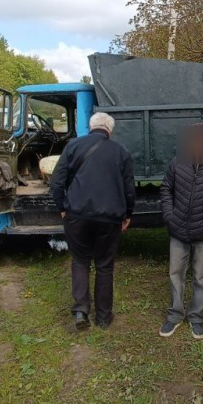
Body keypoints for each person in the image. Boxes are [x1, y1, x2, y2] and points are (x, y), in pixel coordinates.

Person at [49, 112, 135, 331]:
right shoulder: (121, 152)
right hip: (109, 218)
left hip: (76, 216)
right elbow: (129, 190)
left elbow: (57, 183)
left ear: (90, 126)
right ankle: (104, 317)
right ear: (110, 130)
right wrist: (127, 215)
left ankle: (81, 311)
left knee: (80, 261)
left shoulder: (72, 147)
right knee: (104, 266)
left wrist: (62, 208)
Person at [158, 123, 203, 341]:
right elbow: (166, 189)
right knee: (175, 274)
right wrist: (170, 217)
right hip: (178, 230)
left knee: (200, 276)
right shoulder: (177, 163)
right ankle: (174, 315)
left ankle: (196, 317)